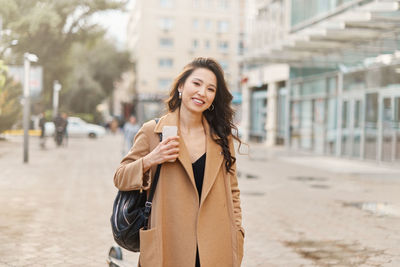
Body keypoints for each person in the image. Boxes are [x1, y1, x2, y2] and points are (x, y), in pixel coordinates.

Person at [113, 57, 244, 267]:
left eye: (211, 89)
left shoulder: (221, 136)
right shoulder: (152, 131)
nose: (202, 93)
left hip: (215, 247)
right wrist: (151, 159)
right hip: (168, 245)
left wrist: (237, 233)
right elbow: (120, 177)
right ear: (181, 86)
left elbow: (233, 191)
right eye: (197, 83)